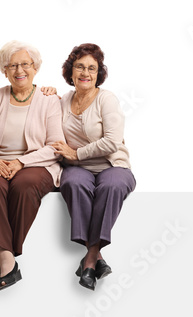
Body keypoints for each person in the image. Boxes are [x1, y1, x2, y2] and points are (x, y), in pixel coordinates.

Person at [0, 40, 64, 290]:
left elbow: (55, 146)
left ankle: (2, 256)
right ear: (4, 70)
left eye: (25, 64)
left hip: (35, 165)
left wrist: (22, 162)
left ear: (35, 67)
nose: (19, 70)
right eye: (12, 65)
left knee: (25, 184)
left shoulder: (49, 99)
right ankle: (8, 259)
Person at [52, 43, 136, 291]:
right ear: (70, 71)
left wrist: (76, 153)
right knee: (72, 182)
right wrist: (41, 92)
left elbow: (111, 142)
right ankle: (96, 258)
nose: (85, 73)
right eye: (79, 67)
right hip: (78, 168)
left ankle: (90, 257)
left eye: (92, 68)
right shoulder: (63, 100)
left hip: (112, 164)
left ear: (99, 73)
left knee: (113, 186)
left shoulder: (106, 99)